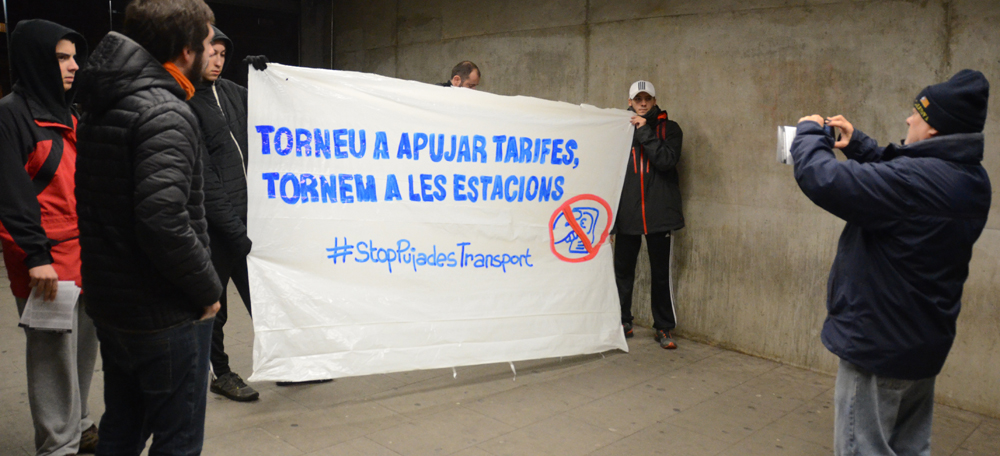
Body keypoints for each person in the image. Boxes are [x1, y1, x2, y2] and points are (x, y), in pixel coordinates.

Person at [790, 69, 991, 456]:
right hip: (921, 345)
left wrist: (808, 134)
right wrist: (860, 145)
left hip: (877, 346)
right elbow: (904, 181)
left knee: (862, 449)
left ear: (934, 129)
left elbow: (823, 178)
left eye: (918, 113)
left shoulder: (916, 183)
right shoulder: (971, 180)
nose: (908, 118)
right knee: (911, 448)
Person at [74, 0, 223, 453]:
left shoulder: (106, 103)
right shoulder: (166, 112)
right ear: (184, 52)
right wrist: (208, 289)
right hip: (163, 314)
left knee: (121, 425)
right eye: (206, 44)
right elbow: (162, 221)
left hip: (115, 306)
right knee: (177, 439)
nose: (211, 52)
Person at [0, 19, 99, 456]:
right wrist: (35, 255)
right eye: (62, 57)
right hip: (45, 259)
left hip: (86, 253)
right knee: (51, 355)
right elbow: (11, 193)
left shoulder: (71, 114)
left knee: (83, 348)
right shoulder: (10, 115)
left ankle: (79, 425)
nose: (74, 66)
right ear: (37, 59)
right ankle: (58, 446)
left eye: (75, 56)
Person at [187, 25, 259, 403]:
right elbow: (204, 178)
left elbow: (274, 108)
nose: (217, 61)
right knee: (215, 309)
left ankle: (284, 362)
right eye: (211, 53)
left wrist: (268, 77)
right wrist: (233, 227)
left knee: (263, 301)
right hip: (216, 229)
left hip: (249, 222)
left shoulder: (232, 93)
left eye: (222, 55)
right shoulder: (184, 101)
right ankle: (222, 373)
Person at [613, 80, 684, 350]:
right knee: (622, 272)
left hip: (659, 214)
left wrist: (645, 133)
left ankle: (663, 328)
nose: (643, 103)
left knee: (660, 274)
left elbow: (666, 160)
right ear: (629, 102)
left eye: (647, 98)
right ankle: (622, 322)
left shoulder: (670, 129)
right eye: (638, 99)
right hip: (627, 214)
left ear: (654, 101)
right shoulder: (619, 131)